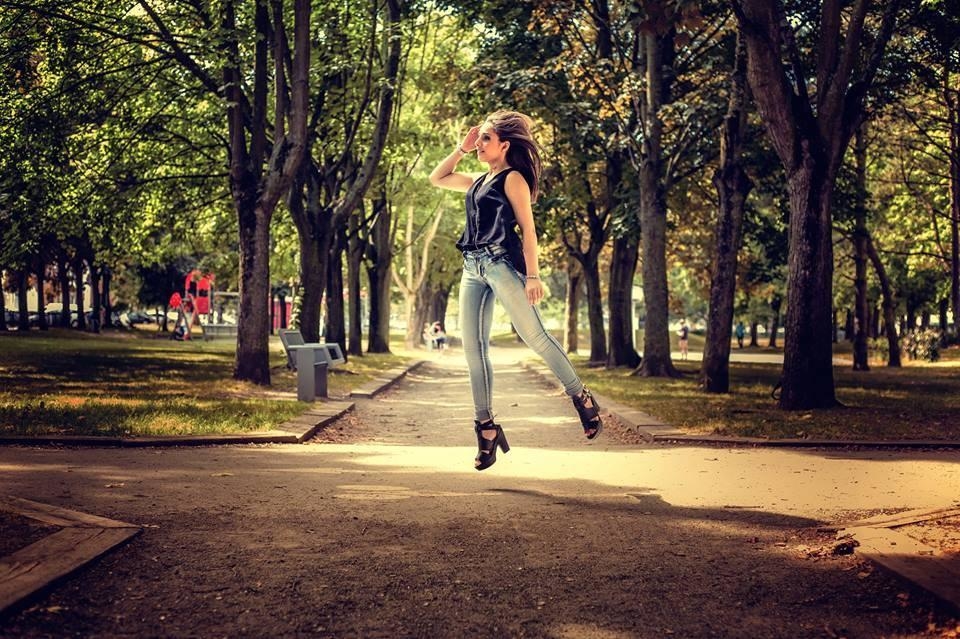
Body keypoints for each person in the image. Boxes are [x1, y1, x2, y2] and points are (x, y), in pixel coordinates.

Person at [429, 110, 602, 471]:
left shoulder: (513, 179)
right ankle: (486, 427)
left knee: (535, 336)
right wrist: (461, 149)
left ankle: (581, 396)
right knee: (474, 351)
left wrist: (533, 276)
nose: (480, 143)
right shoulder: (478, 180)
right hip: (472, 267)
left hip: (500, 264)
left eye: (486, 138)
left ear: (505, 145)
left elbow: (529, 230)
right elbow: (437, 177)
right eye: (479, 138)